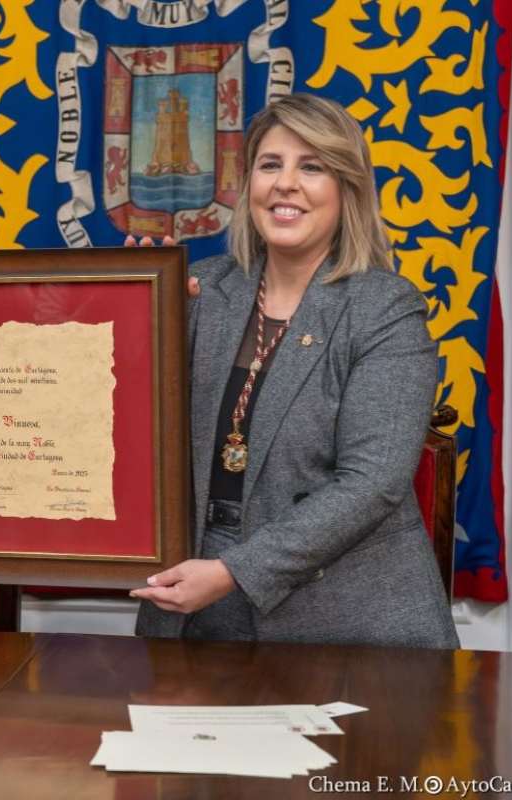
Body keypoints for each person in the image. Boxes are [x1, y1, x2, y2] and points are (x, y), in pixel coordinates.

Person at [131, 93, 459, 649]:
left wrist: (234, 572)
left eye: (312, 167)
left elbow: (371, 484)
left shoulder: (385, 309)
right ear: (247, 186)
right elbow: (128, 433)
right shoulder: (199, 291)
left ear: (346, 190)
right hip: (194, 612)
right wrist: (135, 309)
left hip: (350, 625)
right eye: (270, 165)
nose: (286, 184)